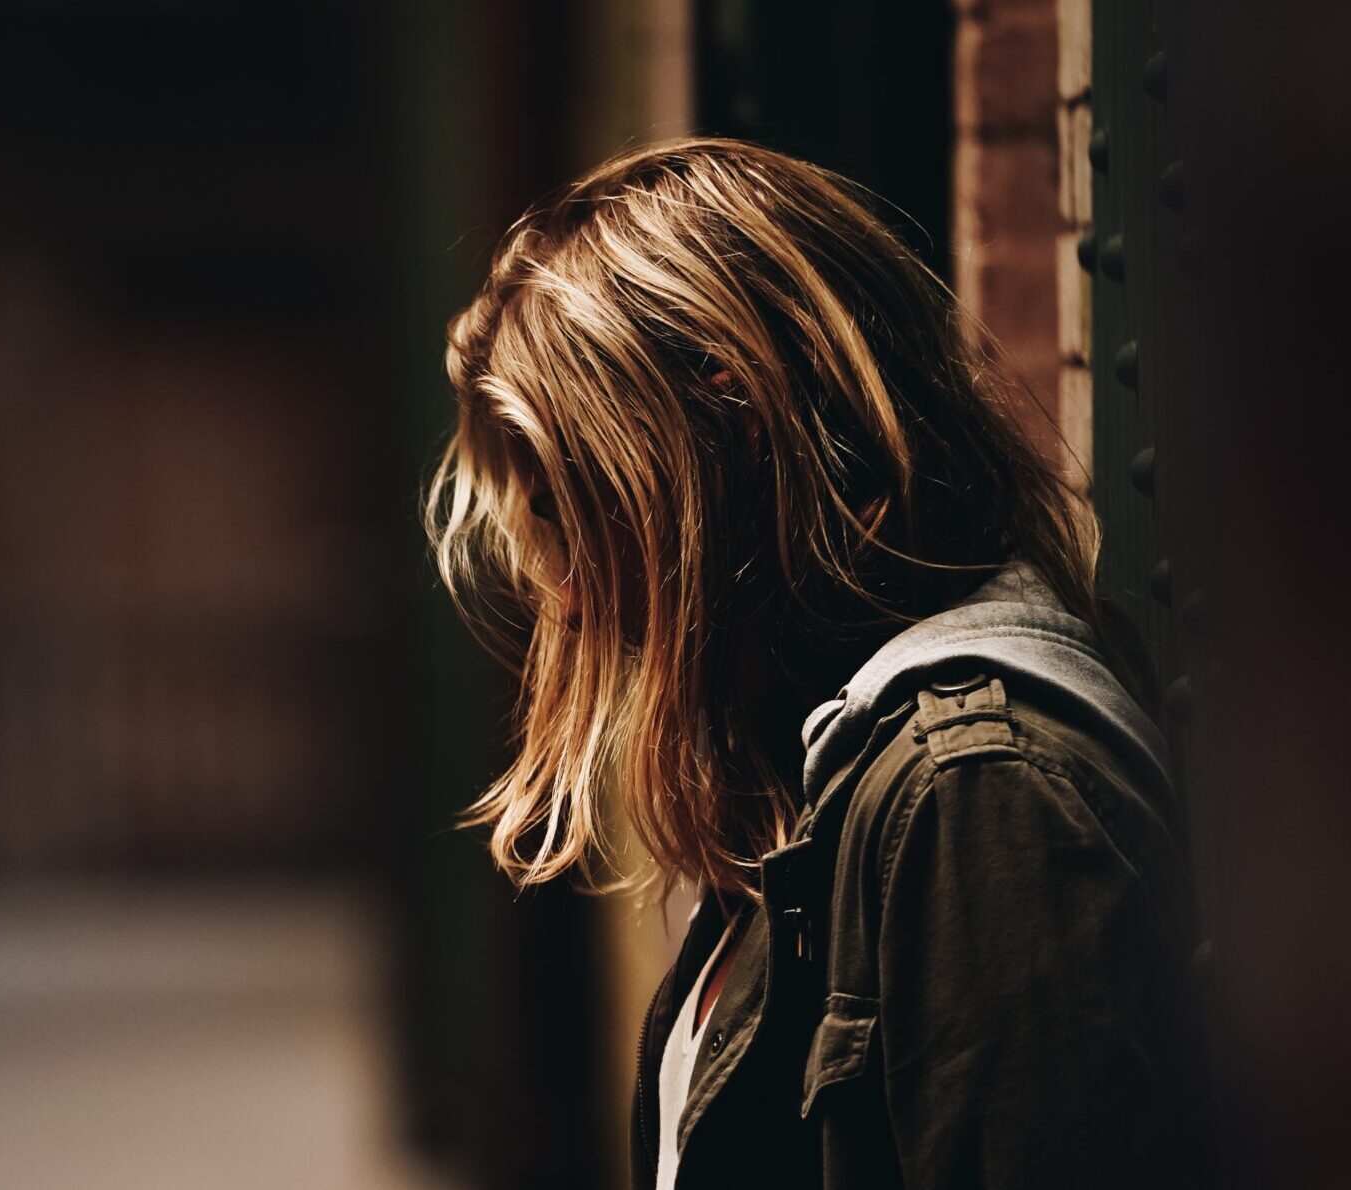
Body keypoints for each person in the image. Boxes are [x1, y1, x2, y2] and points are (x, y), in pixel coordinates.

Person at [425, 138, 1206, 1190]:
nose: (563, 591)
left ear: (731, 409)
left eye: (571, 503)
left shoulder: (977, 791)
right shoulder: (811, 775)